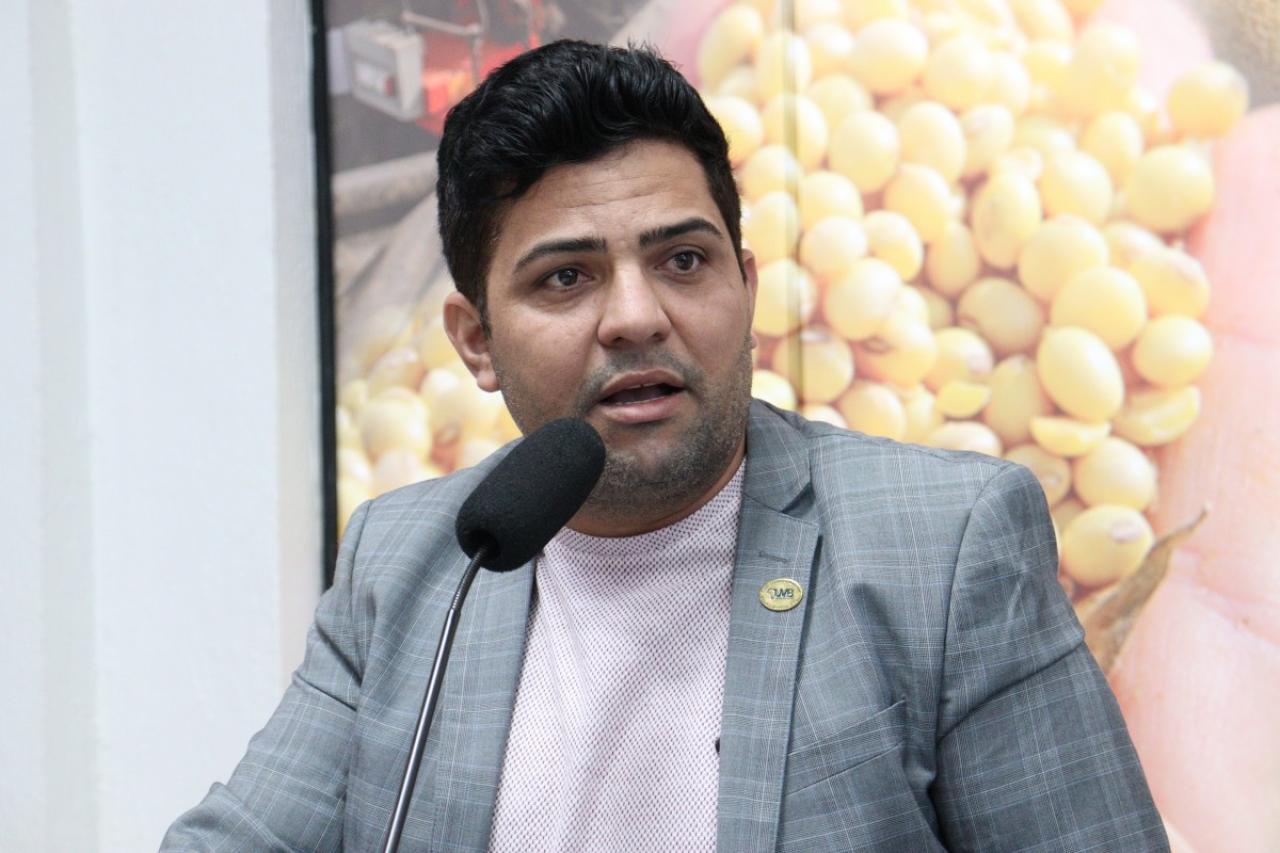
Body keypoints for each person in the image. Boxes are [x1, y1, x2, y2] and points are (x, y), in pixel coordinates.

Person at [163, 40, 1168, 851]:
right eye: (566, 278)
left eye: (682, 260)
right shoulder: (413, 560)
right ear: (476, 341)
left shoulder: (942, 546)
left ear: (744, 286)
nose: (636, 317)